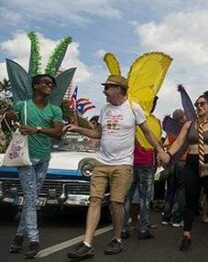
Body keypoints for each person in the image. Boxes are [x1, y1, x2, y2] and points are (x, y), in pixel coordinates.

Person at [65, 75, 165, 259]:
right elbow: (99, 134)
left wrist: (160, 150)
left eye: (108, 88)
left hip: (123, 164)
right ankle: (87, 243)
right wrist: (78, 128)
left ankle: (117, 238)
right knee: (95, 200)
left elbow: (148, 133)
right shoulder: (105, 109)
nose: (104, 91)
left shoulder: (134, 109)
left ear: (119, 89)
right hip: (102, 161)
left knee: (116, 203)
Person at [5, 74, 64, 259]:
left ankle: (19, 236)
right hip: (25, 157)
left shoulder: (55, 110)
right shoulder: (22, 106)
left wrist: (37, 129)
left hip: (44, 158)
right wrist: (7, 117)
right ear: (35, 85)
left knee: (32, 197)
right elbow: (7, 126)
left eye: (52, 84)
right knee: (31, 198)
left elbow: (58, 132)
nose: (49, 86)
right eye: (46, 83)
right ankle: (34, 240)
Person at [160, 91, 208, 253]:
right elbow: (178, 142)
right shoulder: (189, 125)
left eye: (202, 104)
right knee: (190, 201)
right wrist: (168, 154)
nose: (198, 107)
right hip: (191, 163)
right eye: (197, 104)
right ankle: (186, 236)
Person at [121, 96, 161, 240]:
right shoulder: (156, 122)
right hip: (147, 163)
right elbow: (156, 144)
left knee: (127, 196)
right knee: (145, 198)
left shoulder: (133, 118)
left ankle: (123, 228)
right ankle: (144, 229)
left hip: (131, 161)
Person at [162, 109, 186, 227]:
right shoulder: (184, 129)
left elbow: (167, 144)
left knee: (170, 190)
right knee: (181, 191)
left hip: (172, 162)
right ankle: (176, 218)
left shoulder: (170, 130)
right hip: (182, 161)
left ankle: (166, 216)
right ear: (182, 118)